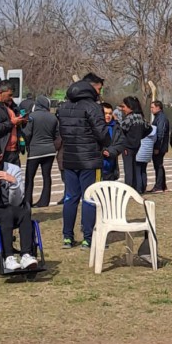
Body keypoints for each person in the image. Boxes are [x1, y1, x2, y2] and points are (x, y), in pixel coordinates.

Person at [57, 73, 109, 249]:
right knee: (90, 198)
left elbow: (62, 133)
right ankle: (88, 237)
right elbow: (101, 133)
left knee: (70, 198)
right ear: (91, 87)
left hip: (70, 158)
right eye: (98, 88)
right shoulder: (92, 107)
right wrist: (106, 143)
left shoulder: (64, 107)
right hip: (90, 160)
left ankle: (67, 237)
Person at [0, 142, 38, 271]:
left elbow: (17, 201)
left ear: (0, 156)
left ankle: (26, 254)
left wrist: (13, 183)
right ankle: (8, 256)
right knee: (6, 213)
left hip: (9, 206)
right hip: (0, 211)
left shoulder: (13, 169)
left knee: (24, 212)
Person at [22, 95, 59, 208]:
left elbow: (27, 134)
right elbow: (56, 134)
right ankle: (44, 201)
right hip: (49, 151)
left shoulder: (32, 117)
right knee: (46, 176)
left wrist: (25, 144)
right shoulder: (53, 118)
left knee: (30, 177)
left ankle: (27, 201)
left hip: (35, 151)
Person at [118, 96, 152, 194]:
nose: (123, 109)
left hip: (127, 146)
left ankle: (128, 189)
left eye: (124, 106)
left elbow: (121, 129)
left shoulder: (130, 118)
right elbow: (149, 128)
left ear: (129, 107)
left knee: (128, 169)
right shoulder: (140, 117)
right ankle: (135, 188)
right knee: (133, 167)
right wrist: (140, 136)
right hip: (136, 145)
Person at [0, 81, 27, 166]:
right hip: (2, 152)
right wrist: (12, 122)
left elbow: (17, 123)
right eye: (9, 95)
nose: (11, 97)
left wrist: (22, 121)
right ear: (0, 92)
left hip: (14, 152)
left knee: (15, 178)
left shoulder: (11, 107)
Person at [100, 102, 125, 181]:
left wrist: (111, 151)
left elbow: (121, 142)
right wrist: (102, 150)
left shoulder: (117, 127)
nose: (108, 116)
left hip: (111, 167)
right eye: (105, 113)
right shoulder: (95, 127)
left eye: (110, 113)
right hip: (97, 166)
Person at [149, 101, 170, 193]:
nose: (151, 109)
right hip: (158, 145)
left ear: (158, 107)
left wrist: (157, 147)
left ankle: (159, 186)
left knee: (158, 165)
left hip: (160, 146)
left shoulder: (161, 118)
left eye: (152, 107)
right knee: (158, 165)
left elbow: (160, 133)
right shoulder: (158, 117)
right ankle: (162, 185)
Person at [136, 124, 157, 194]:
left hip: (140, 153)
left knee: (138, 171)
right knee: (144, 170)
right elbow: (155, 140)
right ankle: (144, 187)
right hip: (148, 154)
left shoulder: (141, 130)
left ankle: (138, 188)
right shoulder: (154, 129)